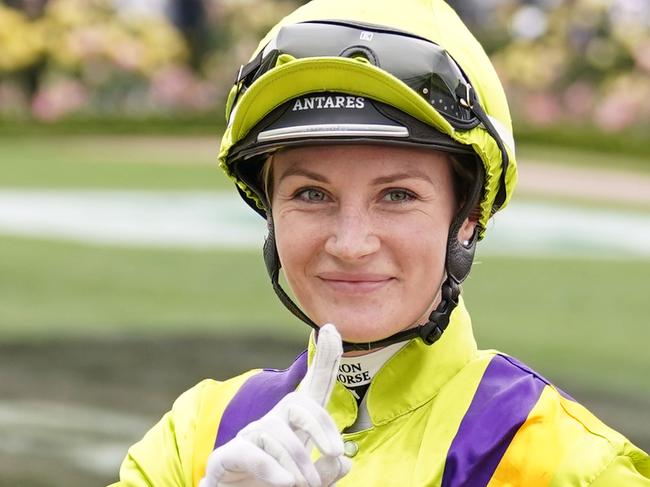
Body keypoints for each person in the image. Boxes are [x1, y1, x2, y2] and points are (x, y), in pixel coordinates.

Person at [112, 0, 650, 485]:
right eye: (311, 194)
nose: (350, 244)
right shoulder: (195, 441)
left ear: (466, 217)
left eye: (396, 195)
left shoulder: (567, 466)